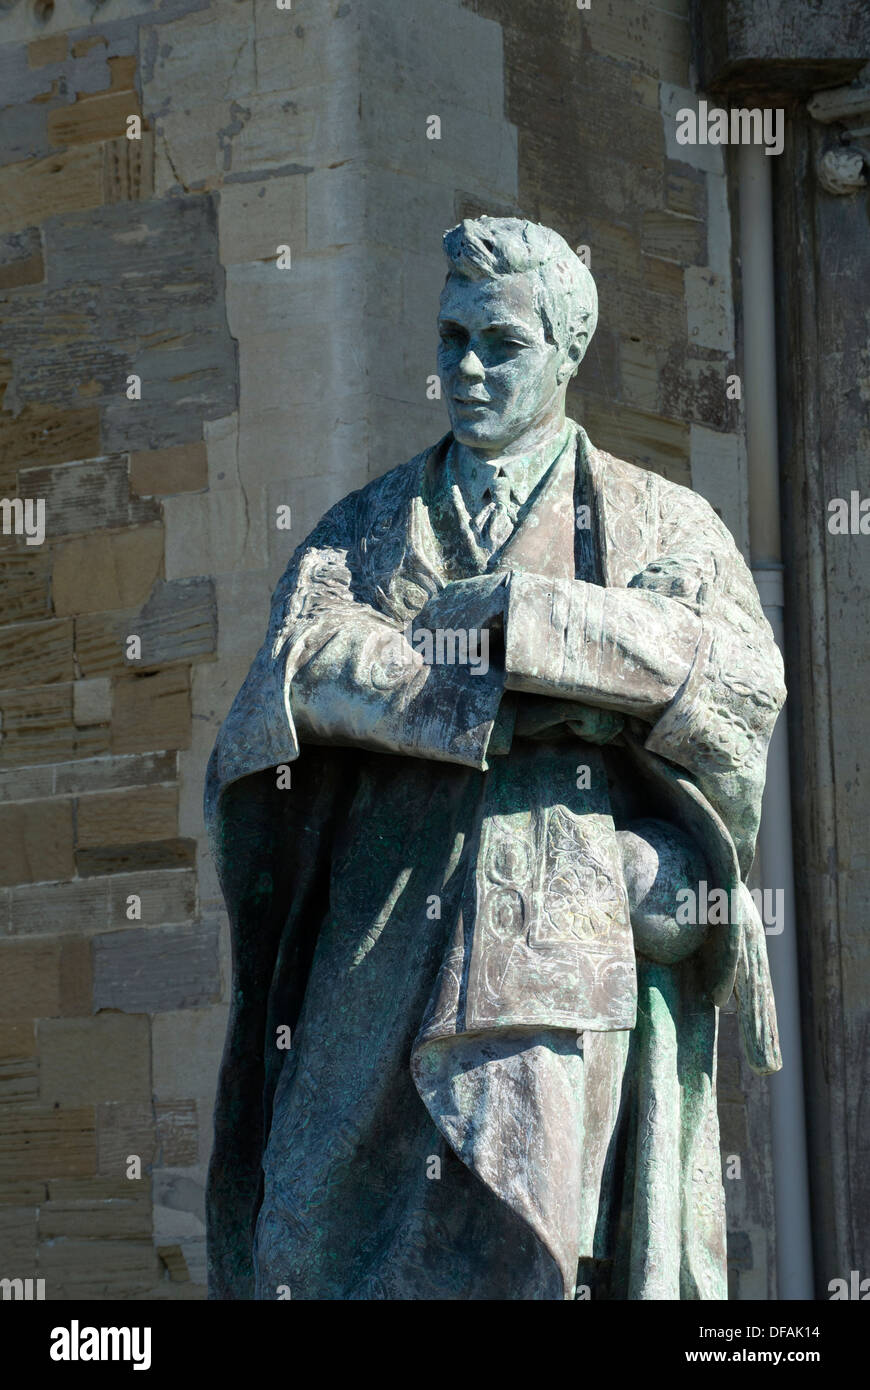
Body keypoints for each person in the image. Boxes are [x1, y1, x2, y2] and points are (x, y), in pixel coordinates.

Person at [205, 216, 784, 1300]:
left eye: (501, 343)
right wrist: (494, 700)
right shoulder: (366, 525)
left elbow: (741, 682)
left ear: (567, 352)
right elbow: (293, 669)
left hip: (549, 939)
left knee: (526, 1244)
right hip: (373, 945)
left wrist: (542, 626)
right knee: (302, 1234)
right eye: (451, 337)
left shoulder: (662, 522)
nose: (466, 368)